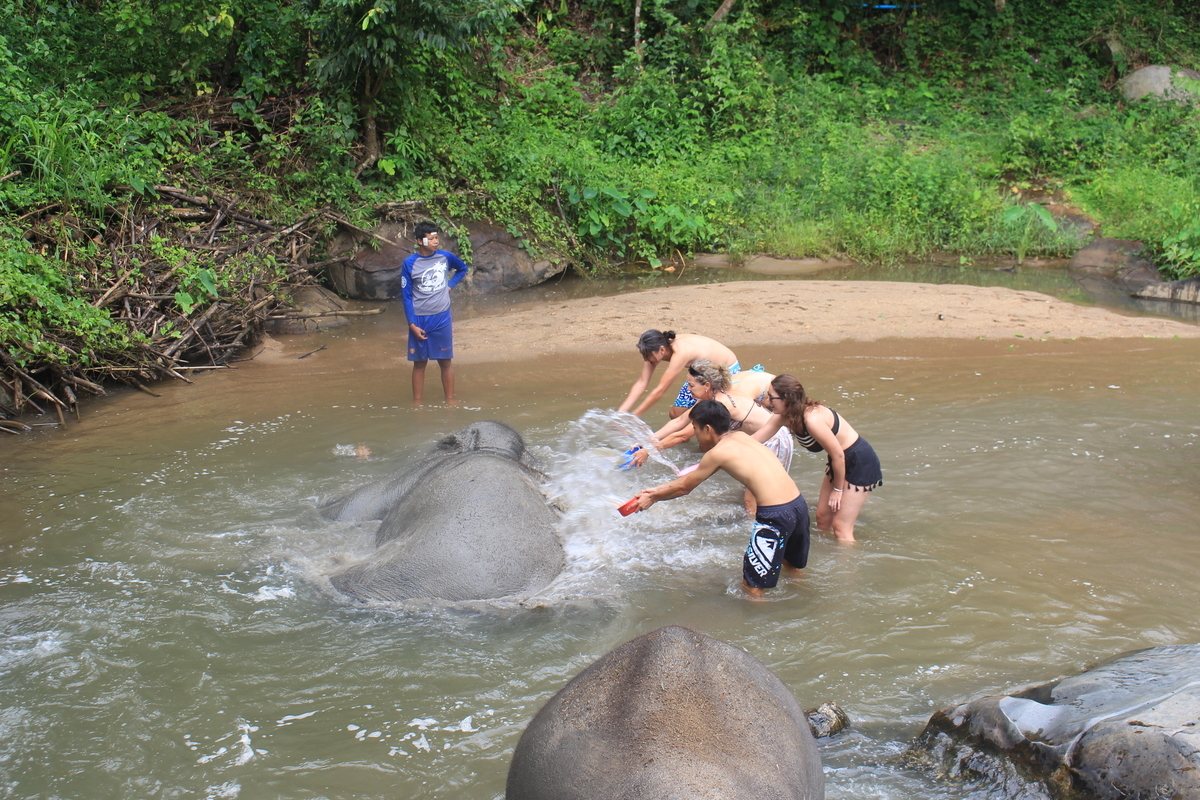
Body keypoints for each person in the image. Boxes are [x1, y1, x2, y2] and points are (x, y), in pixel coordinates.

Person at [632, 399, 810, 598]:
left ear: (707, 429)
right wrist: (654, 491)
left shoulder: (717, 453)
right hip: (798, 505)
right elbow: (688, 479)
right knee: (792, 566)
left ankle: (757, 621)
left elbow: (684, 488)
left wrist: (653, 498)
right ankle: (801, 598)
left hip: (776, 515)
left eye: (695, 428)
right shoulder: (741, 436)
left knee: (752, 587)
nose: (695, 434)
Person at [630, 360, 793, 513]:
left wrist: (648, 450)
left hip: (774, 440)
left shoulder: (722, 403)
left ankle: (754, 529)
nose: (688, 389)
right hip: (758, 439)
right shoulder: (710, 398)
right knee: (755, 492)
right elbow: (678, 421)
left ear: (707, 385)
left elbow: (680, 435)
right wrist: (646, 443)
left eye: (691, 385)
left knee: (752, 499)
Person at [753, 375, 882, 543]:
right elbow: (755, 439)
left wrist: (838, 490)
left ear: (788, 399)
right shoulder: (784, 416)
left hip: (859, 461)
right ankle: (828, 556)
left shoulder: (812, 419)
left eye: (772, 397)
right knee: (822, 519)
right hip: (839, 462)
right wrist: (726, 444)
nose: (767, 400)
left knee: (841, 528)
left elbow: (839, 455)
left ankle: (847, 567)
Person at [399, 221, 469, 404]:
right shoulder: (409, 263)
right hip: (419, 319)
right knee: (419, 363)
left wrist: (450, 286)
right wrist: (411, 324)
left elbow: (462, 268)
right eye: (430, 238)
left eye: (436, 237)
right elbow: (406, 296)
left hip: (442, 317)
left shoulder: (445, 257)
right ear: (420, 241)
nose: (435, 241)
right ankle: (417, 404)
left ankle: (451, 401)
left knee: (445, 361)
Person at [617, 330, 739, 419]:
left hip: (725, 371)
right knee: (676, 414)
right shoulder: (655, 350)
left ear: (662, 350)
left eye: (648, 356)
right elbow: (642, 382)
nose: (647, 360)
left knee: (705, 415)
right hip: (699, 373)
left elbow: (660, 390)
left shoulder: (681, 352)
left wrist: (635, 415)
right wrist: (621, 413)